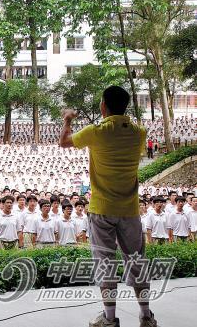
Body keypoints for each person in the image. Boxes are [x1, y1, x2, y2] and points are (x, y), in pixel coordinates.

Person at [59, 86, 156, 327]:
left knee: (105, 262)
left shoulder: (96, 132)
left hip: (102, 208)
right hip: (130, 209)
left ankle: (109, 319)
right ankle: (146, 316)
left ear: (103, 105)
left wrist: (68, 119)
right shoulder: (139, 132)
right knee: (136, 261)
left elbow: (64, 142)